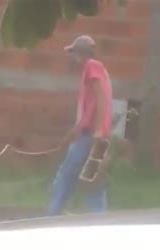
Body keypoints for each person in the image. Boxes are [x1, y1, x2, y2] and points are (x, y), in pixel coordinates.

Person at [48, 35, 113, 216]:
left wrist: (97, 131)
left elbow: (100, 97)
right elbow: (91, 107)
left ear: (80, 53)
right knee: (93, 180)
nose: (72, 57)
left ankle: (53, 215)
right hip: (96, 136)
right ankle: (100, 217)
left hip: (92, 136)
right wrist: (75, 131)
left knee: (65, 176)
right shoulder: (97, 69)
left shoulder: (91, 66)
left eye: (74, 53)